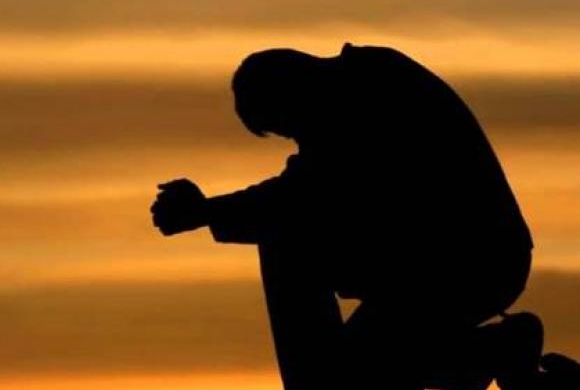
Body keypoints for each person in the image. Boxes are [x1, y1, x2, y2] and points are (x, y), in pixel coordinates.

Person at [150, 43, 538, 389]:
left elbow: (307, 193)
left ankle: (485, 352)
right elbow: (309, 189)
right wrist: (209, 211)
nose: (297, 139)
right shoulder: (360, 86)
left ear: (293, 92)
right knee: (349, 370)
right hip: (434, 267)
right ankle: (485, 352)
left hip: (464, 265)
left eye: (287, 126)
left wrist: (206, 211)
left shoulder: (370, 87)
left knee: (287, 242)